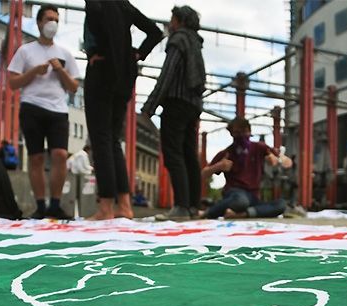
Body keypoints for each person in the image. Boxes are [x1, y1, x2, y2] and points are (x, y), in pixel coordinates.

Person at [83, 0, 162, 220]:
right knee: (113, 139)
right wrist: (135, 54)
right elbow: (155, 32)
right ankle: (124, 205)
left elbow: (96, 16)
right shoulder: (123, 4)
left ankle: (106, 206)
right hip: (125, 76)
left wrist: (100, 51)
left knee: (100, 138)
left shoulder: (97, 3)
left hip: (101, 70)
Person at [8, 5, 80, 220]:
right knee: (36, 157)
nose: (53, 24)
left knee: (59, 155)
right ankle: (40, 204)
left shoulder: (65, 53)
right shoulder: (25, 51)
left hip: (58, 110)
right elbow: (12, 82)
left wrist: (59, 69)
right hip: (32, 107)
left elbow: (74, 86)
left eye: (56, 20)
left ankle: (55, 204)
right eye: (49, 19)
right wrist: (34, 71)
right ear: (39, 22)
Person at [141, 6, 206, 221]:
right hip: (193, 104)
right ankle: (193, 207)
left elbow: (167, 75)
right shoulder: (196, 42)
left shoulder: (179, 39)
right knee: (189, 154)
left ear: (179, 21)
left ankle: (180, 206)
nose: (170, 24)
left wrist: (149, 107)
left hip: (176, 102)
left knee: (173, 153)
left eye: (172, 19)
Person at [201, 117, 293, 219]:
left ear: (249, 131)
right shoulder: (226, 153)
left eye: (244, 131)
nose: (241, 135)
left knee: (281, 205)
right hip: (235, 193)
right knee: (241, 201)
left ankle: (241, 214)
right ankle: (210, 212)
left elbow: (288, 162)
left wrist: (278, 159)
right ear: (231, 133)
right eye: (237, 132)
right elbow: (203, 174)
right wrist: (218, 166)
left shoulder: (260, 147)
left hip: (254, 196)